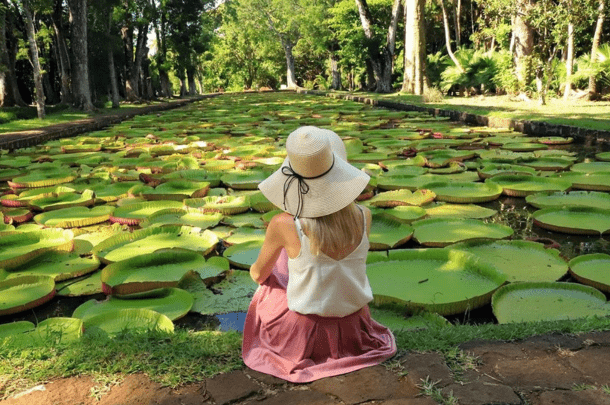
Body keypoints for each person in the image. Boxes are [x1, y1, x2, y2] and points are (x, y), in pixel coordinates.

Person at [241, 126, 396, 383]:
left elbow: (258, 275)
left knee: (270, 279)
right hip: (356, 329)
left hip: (306, 335)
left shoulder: (283, 224)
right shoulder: (364, 215)